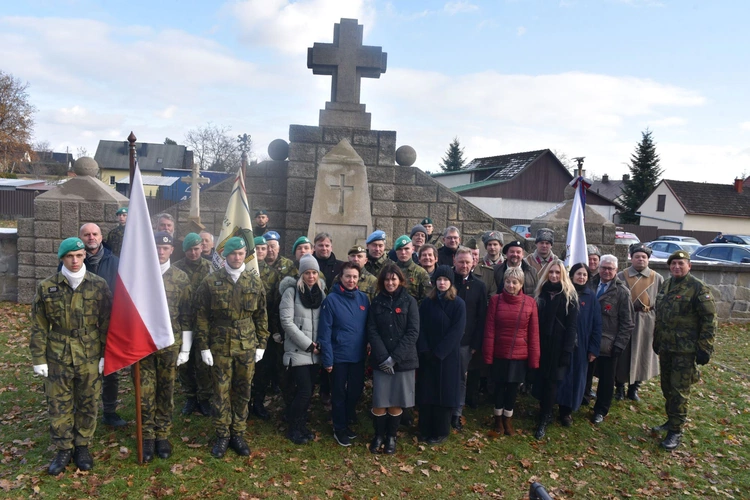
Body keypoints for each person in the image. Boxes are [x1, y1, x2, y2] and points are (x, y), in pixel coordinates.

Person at [31, 237, 112, 475]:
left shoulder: (98, 285)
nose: (75, 261)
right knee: (59, 404)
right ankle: (64, 448)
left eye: (79, 255)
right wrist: (39, 358)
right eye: (69, 256)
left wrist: (106, 354)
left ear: (84, 256)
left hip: (90, 353)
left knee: (88, 402)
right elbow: (38, 325)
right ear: (62, 259)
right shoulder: (47, 287)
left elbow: (108, 322)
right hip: (58, 354)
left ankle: (82, 445)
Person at [195, 237, 269, 458]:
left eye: (241, 253)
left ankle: (238, 432)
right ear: (225, 255)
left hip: (247, 345)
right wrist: (204, 347)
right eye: (233, 253)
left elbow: (261, 315)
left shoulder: (254, 282)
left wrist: (261, 344)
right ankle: (222, 434)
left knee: (244, 389)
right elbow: (201, 316)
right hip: (219, 344)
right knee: (220, 391)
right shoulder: (210, 282)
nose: (237, 257)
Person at [652, 250, 716, 450]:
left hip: (685, 350)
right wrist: (657, 339)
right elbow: (661, 315)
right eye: (673, 264)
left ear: (689, 265)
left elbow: (709, 320)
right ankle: (671, 420)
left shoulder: (698, 288)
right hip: (667, 347)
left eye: (681, 263)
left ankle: (676, 431)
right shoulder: (667, 284)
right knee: (667, 387)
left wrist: (705, 347)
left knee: (680, 391)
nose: (677, 267)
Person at [139, 232, 192, 462]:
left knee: (166, 390)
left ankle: (163, 434)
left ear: (172, 250)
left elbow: (188, 314)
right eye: (157, 247)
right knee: (145, 391)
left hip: (170, 343)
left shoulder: (181, 278)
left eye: (165, 248)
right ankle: (147, 435)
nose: (161, 251)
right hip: (143, 343)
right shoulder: (140, 275)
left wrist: (186, 348)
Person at [366, 263, 419, 454]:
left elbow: (413, 332)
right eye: (387, 279)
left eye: (393, 279)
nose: (390, 282)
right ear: (382, 281)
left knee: (396, 400)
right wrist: (383, 358)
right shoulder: (376, 302)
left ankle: (391, 437)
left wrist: (395, 358)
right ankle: (378, 435)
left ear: (400, 280)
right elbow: (372, 330)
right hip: (382, 361)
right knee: (380, 401)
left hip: (403, 362)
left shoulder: (409, 301)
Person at [318, 260, 370, 447]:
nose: (351, 280)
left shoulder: (364, 299)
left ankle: (348, 421)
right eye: (348, 276)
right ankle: (339, 427)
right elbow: (325, 331)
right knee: (338, 393)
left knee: (355, 391)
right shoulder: (331, 300)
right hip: (338, 356)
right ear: (341, 277)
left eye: (354, 277)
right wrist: (328, 359)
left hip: (358, 356)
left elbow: (368, 327)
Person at [483, 266, 539, 435]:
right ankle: (498, 419)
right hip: (500, 351)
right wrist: (488, 355)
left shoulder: (530, 303)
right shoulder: (495, 301)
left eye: (514, 282)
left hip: (519, 354)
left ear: (521, 284)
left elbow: (534, 332)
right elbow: (489, 329)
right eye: (508, 281)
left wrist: (534, 358)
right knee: (499, 386)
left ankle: (508, 418)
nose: (511, 285)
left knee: (513, 388)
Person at [78, 223, 125, 428]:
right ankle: (84, 412)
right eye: (86, 234)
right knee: (83, 373)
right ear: (81, 237)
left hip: (109, 325)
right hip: (82, 327)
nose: (91, 238)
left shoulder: (115, 262)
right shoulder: (73, 260)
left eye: (94, 234)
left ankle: (110, 411)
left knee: (110, 371)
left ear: (101, 236)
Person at [279, 254, 326, 444]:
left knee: (309, 391)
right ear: (301, 274)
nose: (311, 276)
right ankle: (293, 427)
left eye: (314, 272)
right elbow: (286, 322)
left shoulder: (321, 293)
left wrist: (321, 344)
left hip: (316, 353)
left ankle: (301, 425)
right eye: (307, 273)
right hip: (299, 351)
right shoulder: (291, 292)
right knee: (304, 391)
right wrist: (307, 344)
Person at [416, 265, 466, 444]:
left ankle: (441, 431)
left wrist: (439, 353)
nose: (442, 283)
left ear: (450, 282)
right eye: (439, 280)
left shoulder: (458, 304)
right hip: (427, 355)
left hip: (447, 357)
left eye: (445, 280)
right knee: (427, 393)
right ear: (434, 282)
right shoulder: (427, 303)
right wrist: (424, 349)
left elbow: (457, 332)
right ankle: (424, 428)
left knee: (443, 394)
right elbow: (419, 327)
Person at [532, 258, 578, 439]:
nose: (553, 275)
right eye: (551, 272)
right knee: (541, 379)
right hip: (541, 343)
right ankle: (544, 409)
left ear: (563, 275)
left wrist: (567, 351)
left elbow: (572, 326)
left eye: (557, 272)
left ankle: (545, 417)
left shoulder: (569, 296)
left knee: (552, 382)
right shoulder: (540, 293)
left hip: (559, 345)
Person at [615, 244, 663, 402]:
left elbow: (661, 302)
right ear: (631, 258)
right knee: (622, 354)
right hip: (626, 318)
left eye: (644, 257)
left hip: (646, 320)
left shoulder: (657, 278)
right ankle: (620, 387)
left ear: (648, 259)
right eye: (637, 256)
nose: (640, 259)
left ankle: (634, 388)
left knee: (643, 353)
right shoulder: (622, 276)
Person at [590, 255, 634, 425]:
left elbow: (628, 322)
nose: (607, 271)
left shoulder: (622, 292)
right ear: (599, 268)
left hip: (608, 344)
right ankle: (583, 399)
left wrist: (619, 344)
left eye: (610, 269)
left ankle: (601, 410)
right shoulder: (590, 283)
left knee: (606, 380)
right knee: (586, 375)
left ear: (616, 270)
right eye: (604, 267)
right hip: (589, 340)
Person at [556, 263, 602, 426]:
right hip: (563, 343)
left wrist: (594, 348)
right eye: (578, 274)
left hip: (582, 345)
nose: (581, 277)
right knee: (561, 376)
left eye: (584, 275)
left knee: (576, 377)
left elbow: (597, 325)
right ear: (572, 275)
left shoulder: (591, 298)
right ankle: (557, 405)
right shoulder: (564, 293)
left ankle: (567, 411)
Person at [174, 232, 214, 417]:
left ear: (202, 248)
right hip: (182, 321)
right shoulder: (176, 269)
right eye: (189, 249)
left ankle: (204, 398)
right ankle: (190, 396)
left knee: (203, 362)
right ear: (184, 251)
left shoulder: (210, 268)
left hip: (203, 321)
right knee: (184, 362)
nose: (193, 252)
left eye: (196, 248)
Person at [451, 247, 487, 430]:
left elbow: (482, 317)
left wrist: (475, 343)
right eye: (461, 262)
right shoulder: (446, 281)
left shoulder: (480, 286)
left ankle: (456, 413)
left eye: (468, 262)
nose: (464, 265)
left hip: (466, 342)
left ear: (473, 263)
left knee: (460, 379)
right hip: (445, 340)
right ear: (454, 261)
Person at [250, 236, 283, 420]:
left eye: (263, 249)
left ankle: (258, 403)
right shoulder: (245, 271)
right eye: (257, 249)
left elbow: (276, 304)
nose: (260, 252)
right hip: (245, 328)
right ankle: (245, 402)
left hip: (265, 327)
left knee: (262, 368)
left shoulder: (273, 274)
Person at [392, 235, 431, 303]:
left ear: (412, 249)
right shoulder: (389, 270)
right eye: (400, 249)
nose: (403, 252)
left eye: (406, 249)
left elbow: (427, 299)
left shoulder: (421, 273)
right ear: (395, 251)